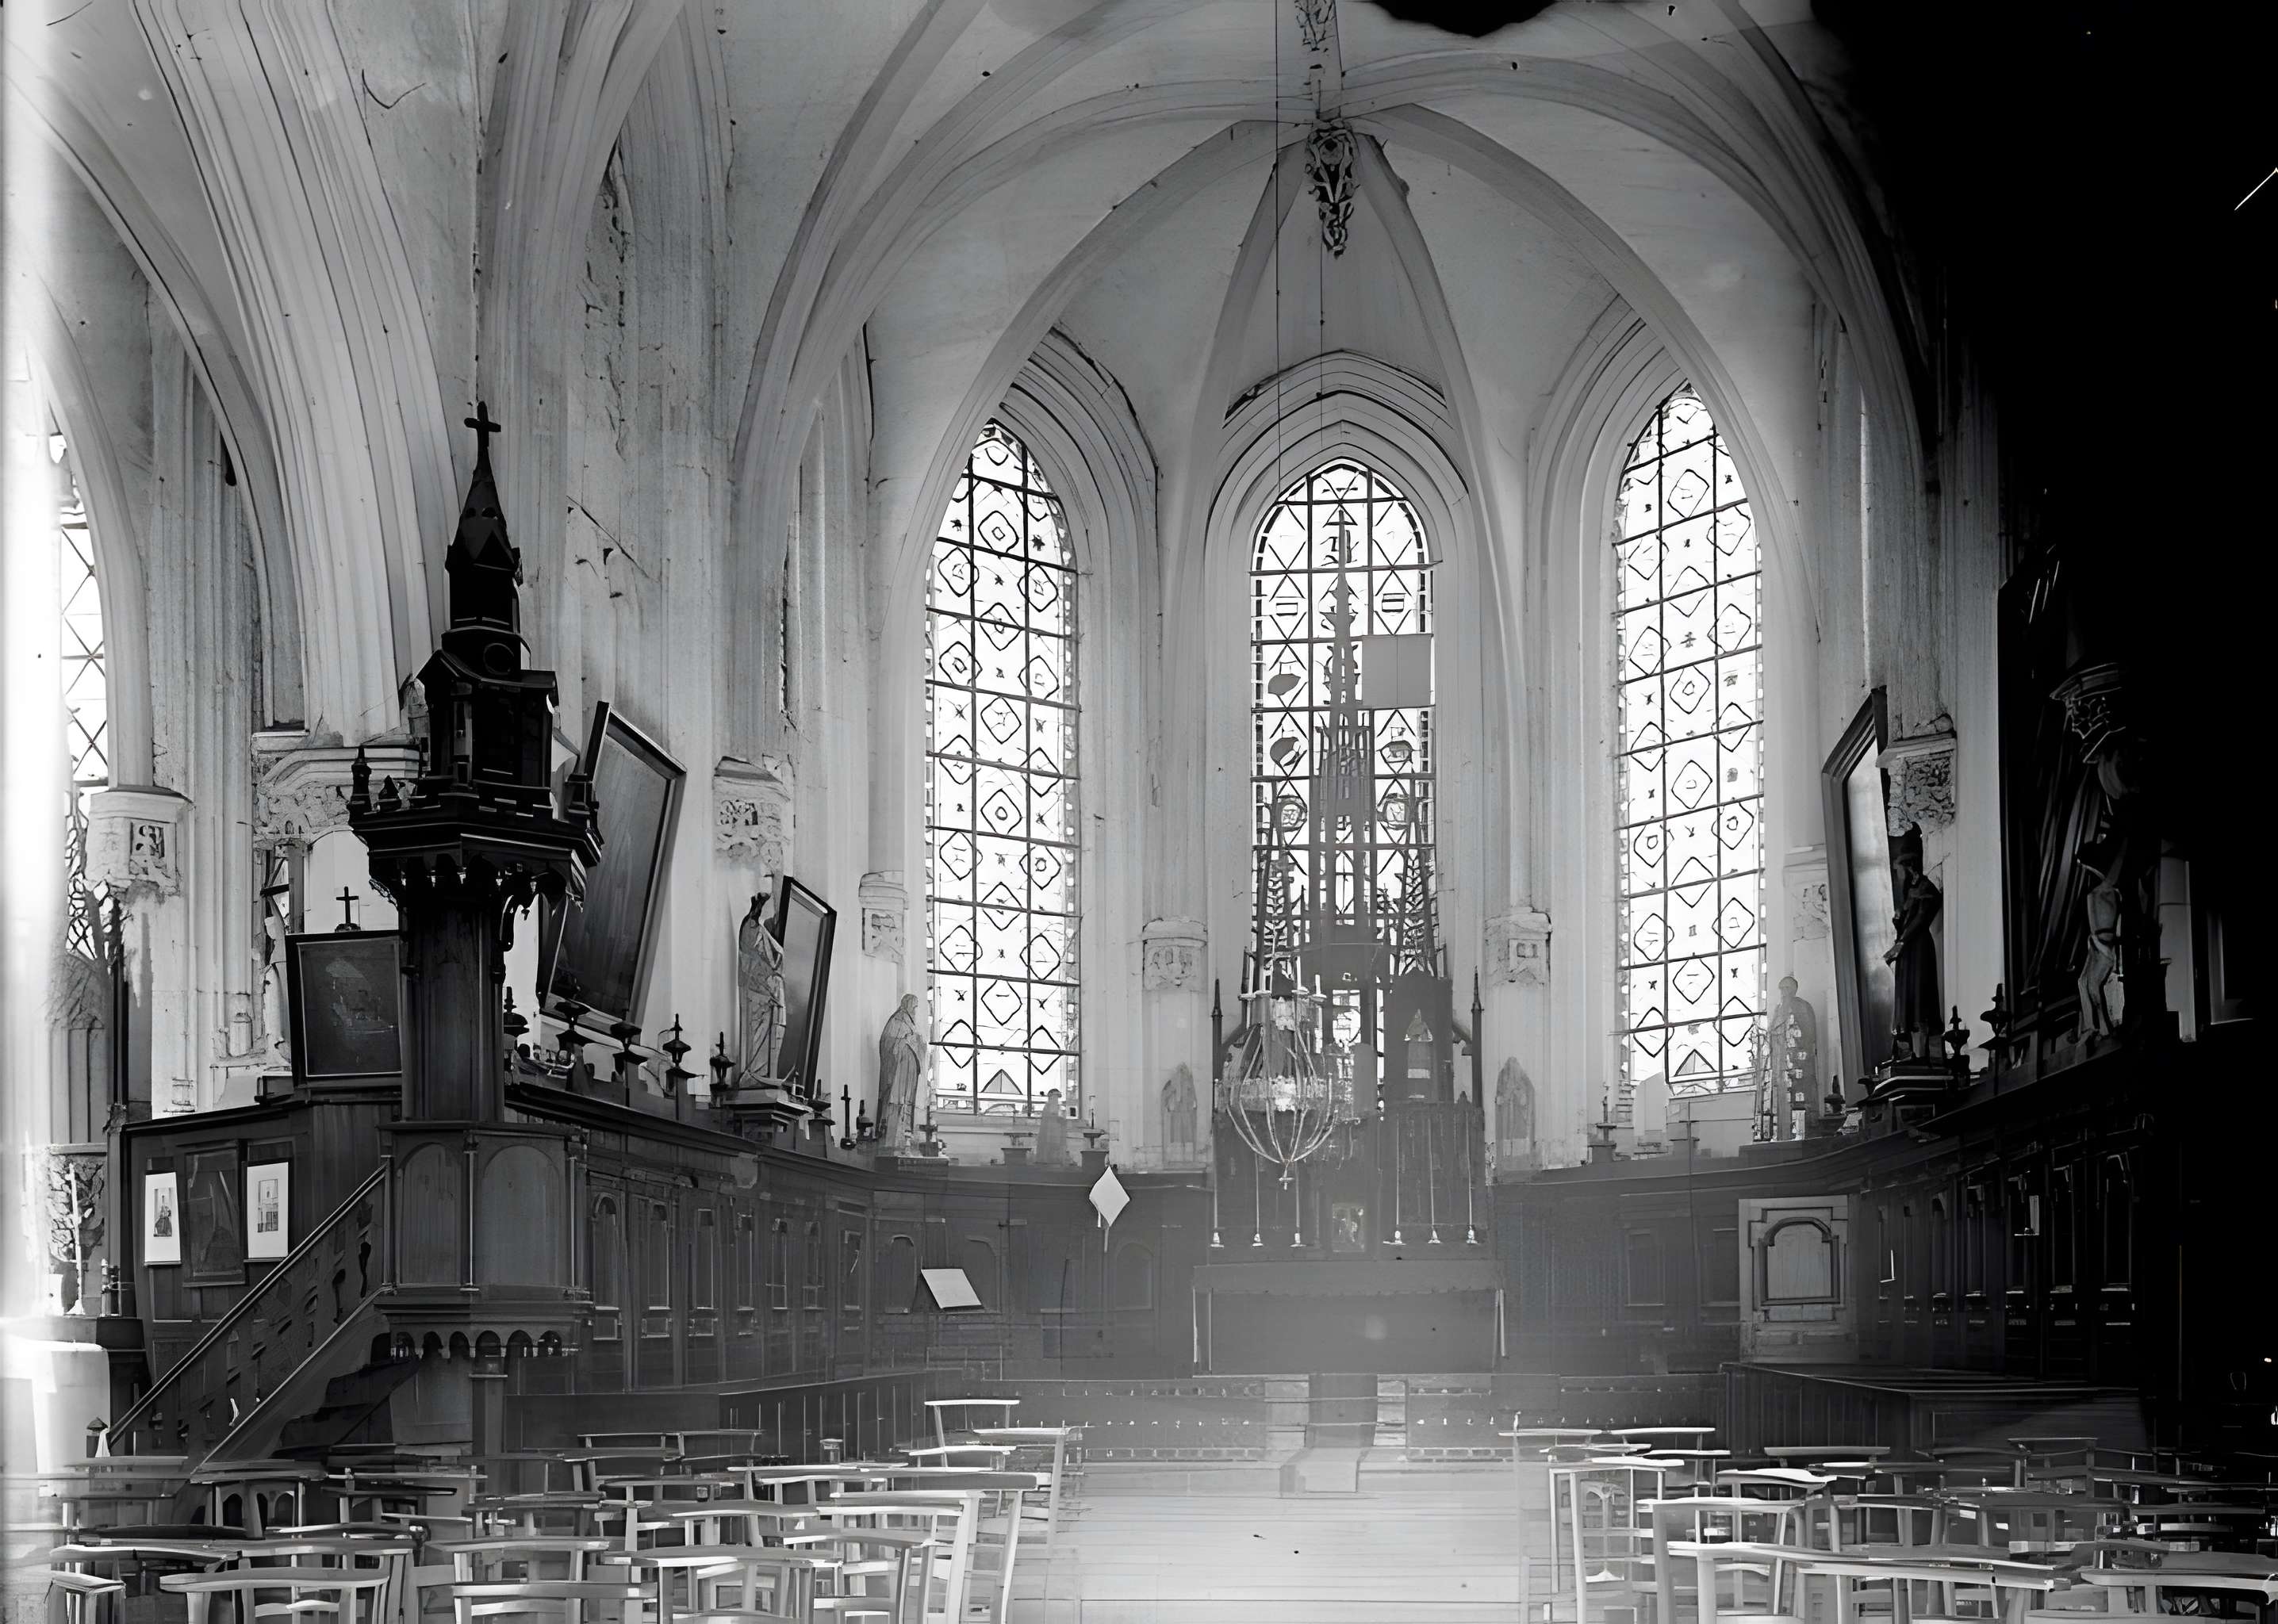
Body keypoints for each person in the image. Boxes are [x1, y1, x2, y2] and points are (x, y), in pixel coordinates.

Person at [1883, 832, 1943, 1061]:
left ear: (1909, 867)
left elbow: (1921, 920)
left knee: (1920, 1000)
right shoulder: (1909, 893)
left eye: (1899, 869)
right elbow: (1906, 920)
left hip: (1918, 950)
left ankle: (1924, 1052)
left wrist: (1900, 943)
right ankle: (1908, 1050)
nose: (1897, 875)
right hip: (1907, 953)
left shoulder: (1926, 889)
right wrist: (1898, 919)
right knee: (1906, 1003)